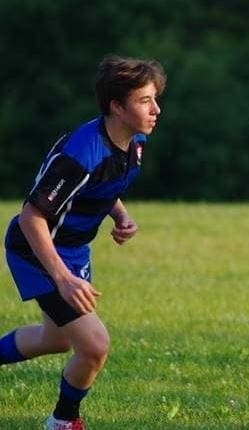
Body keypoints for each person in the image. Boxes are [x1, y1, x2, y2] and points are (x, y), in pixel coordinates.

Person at [1, 55, 166, 430]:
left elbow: (102, 187)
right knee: (94, 345)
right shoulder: (81, 153)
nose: (156, 109)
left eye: (155, 98)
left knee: (55, 339)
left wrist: (119, 214)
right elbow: (32, 216)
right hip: (37, 247)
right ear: (116, 107)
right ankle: (63, 422)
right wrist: (62, 277)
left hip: (72, 249)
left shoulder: (134, 140)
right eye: (145, 101)